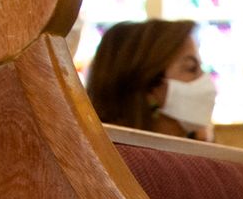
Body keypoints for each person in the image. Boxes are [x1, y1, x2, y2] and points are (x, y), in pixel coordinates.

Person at [83, 18, 217, 141]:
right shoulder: (119, 160)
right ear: (149, 85)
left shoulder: (191, 160)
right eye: (191, 68)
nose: (207, 82)